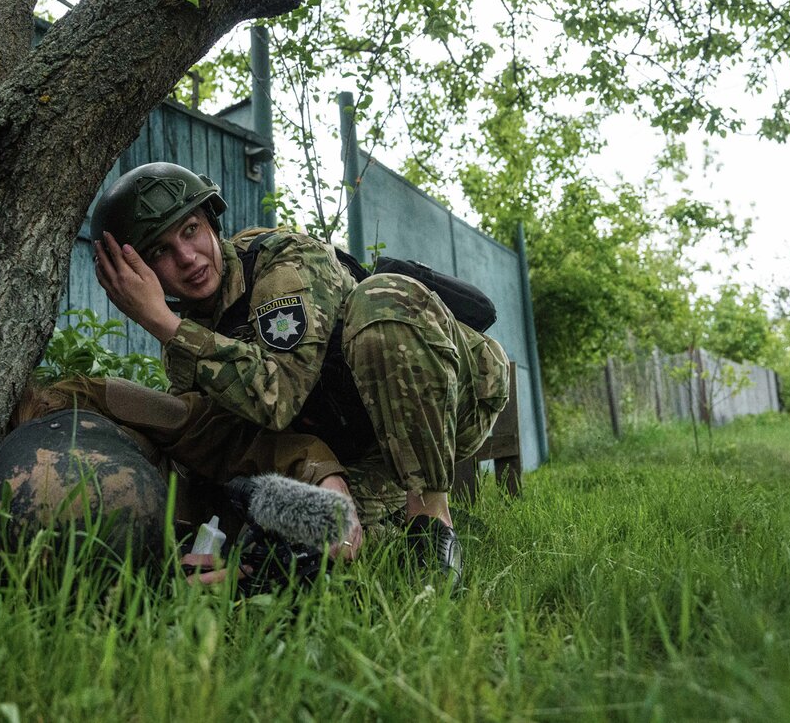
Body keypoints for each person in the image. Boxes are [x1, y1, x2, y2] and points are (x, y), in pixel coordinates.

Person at [83, 161, 509, 586]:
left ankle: (432, 522)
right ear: (139, 273)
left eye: (190, 230)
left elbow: (278, 397)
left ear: (210, 220)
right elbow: (229, 441)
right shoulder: (190, 335)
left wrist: (164, 324)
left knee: (381, 301)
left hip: (454, 395)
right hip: (365, 444)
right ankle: (393, 515)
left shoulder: (280, 262)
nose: (187, 258)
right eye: (160, 251)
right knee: (323, 541)